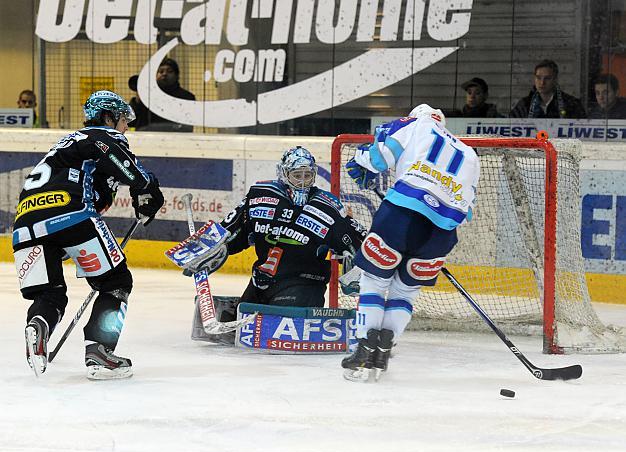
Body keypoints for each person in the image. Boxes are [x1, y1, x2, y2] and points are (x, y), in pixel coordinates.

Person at [14, 90, 164, 380]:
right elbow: (114, 155)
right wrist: (145, 187)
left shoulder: (61, 147)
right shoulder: (99, 135)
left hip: (25, 226)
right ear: (108, 117)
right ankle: (100, 352)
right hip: (71, 214)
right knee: (116, 282)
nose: (126, 127)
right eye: (122, 120)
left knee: (50, 294)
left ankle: (39, 325)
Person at [341, 104, 480, 381]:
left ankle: (362, 344)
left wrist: (360, 158)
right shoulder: (470, 154)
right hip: (441, 233)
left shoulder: (414, 124)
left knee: (375, 282)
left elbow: (379, 159)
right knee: (404, 292)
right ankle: (383, 350)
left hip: (400, 214)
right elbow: (469, 211)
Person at [179, 146, 367, 333]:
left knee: (270, 333)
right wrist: (205, 251)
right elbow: (230, 232)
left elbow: (356, 244)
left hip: (303, 285)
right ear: (284, 174)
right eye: (297, 175)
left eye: (307, 176)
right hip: (261, 283)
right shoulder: (259, 196)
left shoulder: (327, 208)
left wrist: (355, 273)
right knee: (239, 333)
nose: (302, 182)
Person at [128, 57, 196, 132]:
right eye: (161, 71)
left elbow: (187, 127)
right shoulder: (147, 96)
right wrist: (138, 102)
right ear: (156, 75)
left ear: (177, 76)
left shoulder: (186, 97)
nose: (164, 74)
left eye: (169, 71)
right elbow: (130, 122)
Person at [510, 59, 586, 119]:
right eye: (538, 78)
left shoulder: (571, 104)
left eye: (547, 78)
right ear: (534, 78)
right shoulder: (524, 105)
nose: (542, 82)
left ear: (555, 79)